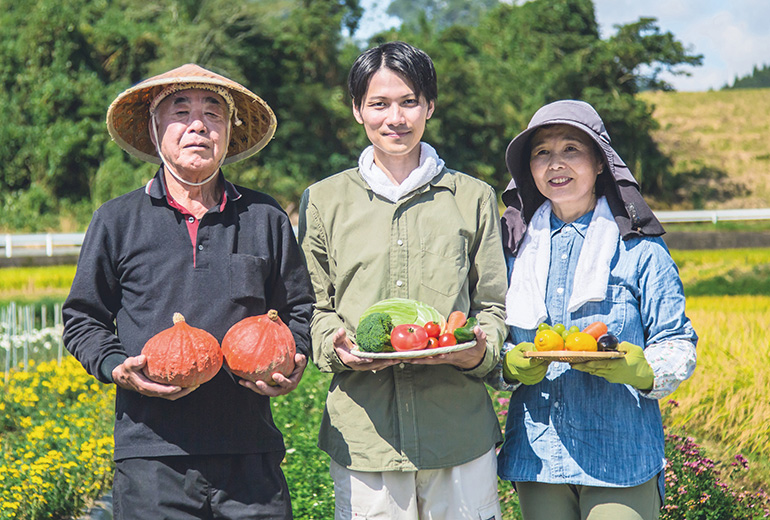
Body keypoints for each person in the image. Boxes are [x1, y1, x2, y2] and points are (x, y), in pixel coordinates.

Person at [62, 63, 315, 519]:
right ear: (155, 128)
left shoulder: (264, 217)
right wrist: (116, 366)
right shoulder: (117, 221)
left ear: (227, 133)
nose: (198, 124)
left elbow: (299, 309)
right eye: (180, 111)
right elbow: (84, 318)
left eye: (213, 113)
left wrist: (294, 358)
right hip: (151, 457)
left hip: (249, 454)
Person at [297, 41, 508, 520]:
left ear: (429, 107)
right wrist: (334, 343)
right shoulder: (324, 201)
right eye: (379, 104)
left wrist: (481, 349)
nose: (396, 117)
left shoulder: (472, 198)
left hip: (457, 430)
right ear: (357, 110)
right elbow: (312, 305)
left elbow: (494, 304)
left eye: (409, 101)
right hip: (365, 437)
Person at [493, 100, 698, 520]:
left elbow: (677, 342)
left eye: (571, 149)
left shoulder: (640, 249)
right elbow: (492, 339)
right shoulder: (512, 250)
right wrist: (508, 367)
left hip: (620, 455)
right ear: (529, 169)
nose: (555, 163)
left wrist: (642, 371)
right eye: (541, 153)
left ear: (601, 163)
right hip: (538, 454)